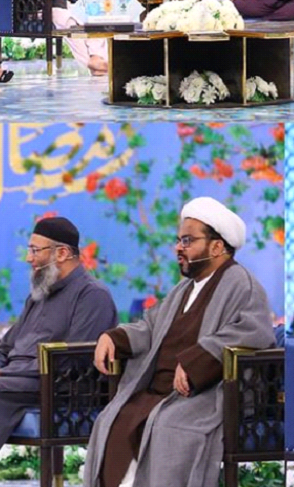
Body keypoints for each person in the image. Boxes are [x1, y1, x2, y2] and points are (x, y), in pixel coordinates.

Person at [82, 197, 276, 487]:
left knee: (168, 426)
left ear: (217, 246)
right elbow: (150, 327)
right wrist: (113, 337)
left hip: (205, 395)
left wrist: (196, 361)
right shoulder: (183, 288)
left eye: (188, 241)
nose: (178, 248)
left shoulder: (242, 285)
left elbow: (253, 334)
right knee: (113, 418)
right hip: (159, 392)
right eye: (178, 240)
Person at [0, 217, 118, 487]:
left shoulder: (92, 295)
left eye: (35, 250)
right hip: (14, 381)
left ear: (62, 253)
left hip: (57, 387)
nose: (29, 258)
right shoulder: (39, 294)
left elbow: (73, 363)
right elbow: (6, 346)